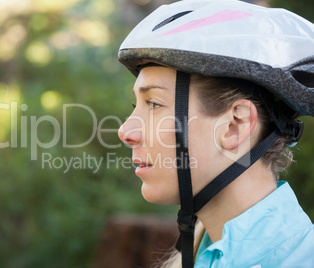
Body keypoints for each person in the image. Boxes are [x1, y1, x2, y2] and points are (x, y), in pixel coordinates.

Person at [117, 0, 314, 267]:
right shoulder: (205, 255)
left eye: (154, 104)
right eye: (136, 106)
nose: (125, 131)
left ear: (235, 126)